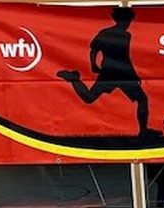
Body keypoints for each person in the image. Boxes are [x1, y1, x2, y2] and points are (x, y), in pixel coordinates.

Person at [56, 7, 157, 138]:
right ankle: (74, 79)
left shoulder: (123, 35)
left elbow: (104, 52)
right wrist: (94, 65)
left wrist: (94, 65)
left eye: (129, 21)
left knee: (141, 99)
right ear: (119, 20)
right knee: (90, 98)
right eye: (127, 21)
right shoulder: (112, 34)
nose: (128, 24)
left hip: (117, 72)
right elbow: (97, 50)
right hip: (115, 73)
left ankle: (143, 130)